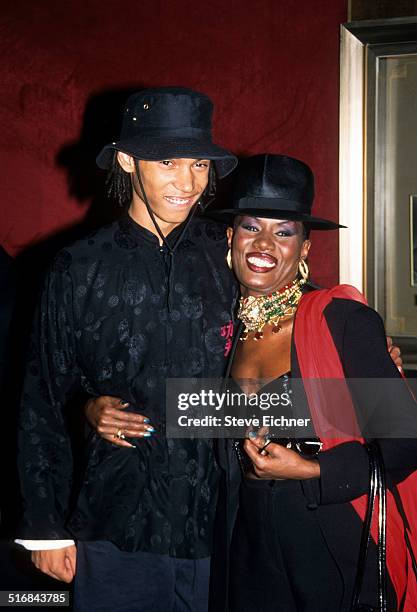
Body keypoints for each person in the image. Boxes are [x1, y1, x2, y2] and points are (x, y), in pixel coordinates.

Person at [16, 87, 238, 611]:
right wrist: (46, 528)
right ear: (126, 160)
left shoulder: (228, 251)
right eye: (167, 162)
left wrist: (361, 339)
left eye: (199, 164)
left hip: (224, 521)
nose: (188, 183)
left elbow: (295, 325)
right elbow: (41, 395)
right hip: (116, 522)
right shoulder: (78, 266)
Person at [206, 154, 417, 612]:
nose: (264, 243)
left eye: (283, 232)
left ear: (304, 249)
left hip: (333, 545)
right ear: (230, 236)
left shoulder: (342, 320)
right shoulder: (221, 327)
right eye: (250, 227)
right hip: (246, 549)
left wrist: (312, 470)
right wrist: (91, 409)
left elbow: (404, 443)